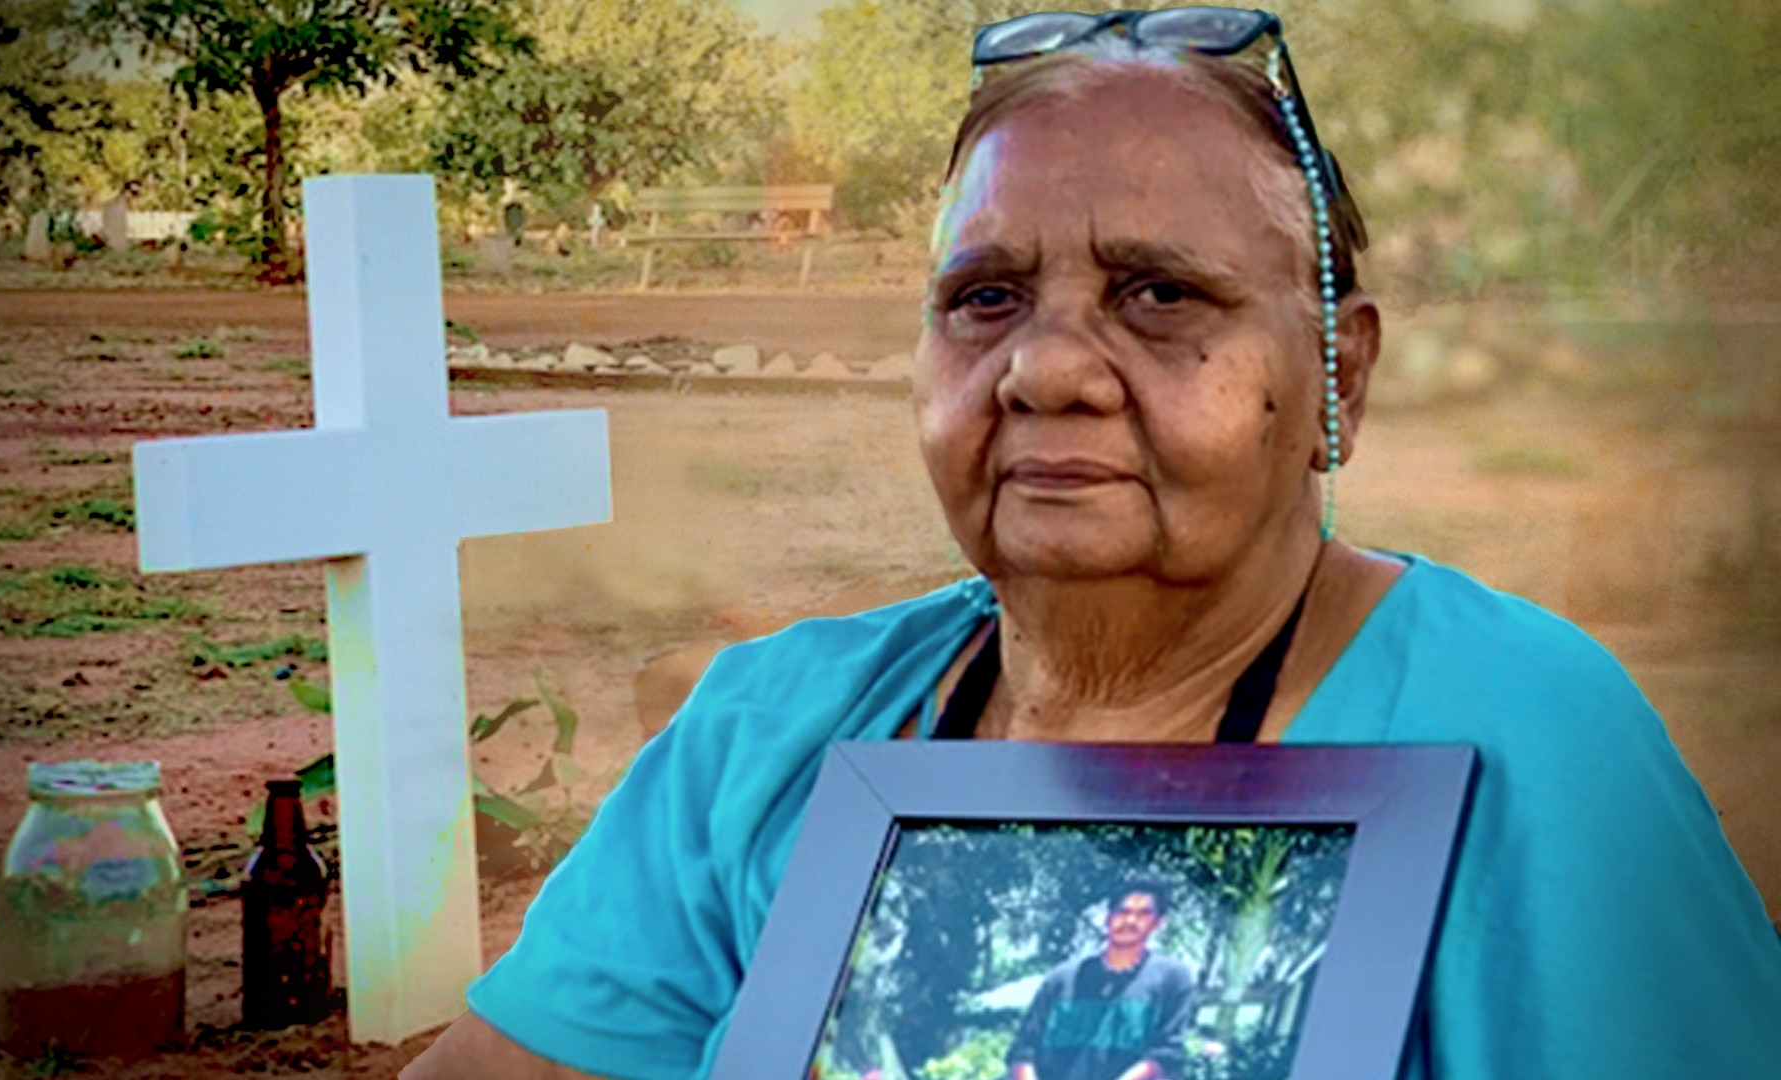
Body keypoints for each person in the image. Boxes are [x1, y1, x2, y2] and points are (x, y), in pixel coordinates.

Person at [402, 8, 1781, 1079]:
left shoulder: (1529, 738)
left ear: (1337, 381)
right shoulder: (764, 733)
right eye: (986, 295)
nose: (1047, 370)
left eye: (1161, 293)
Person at [1007, 882, 1196, 1080]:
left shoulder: (1172, 978)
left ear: (1157, 922)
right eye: (1122, 912)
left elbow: (1165, 1055)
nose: (1130, 920)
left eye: (1143, 914)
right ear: (1108, 917)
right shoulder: (1061, 980)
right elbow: (1023, 1052)